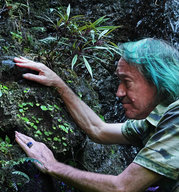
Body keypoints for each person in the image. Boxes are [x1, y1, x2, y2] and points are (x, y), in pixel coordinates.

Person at [13, 38, 179, 192]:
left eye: (127, 82)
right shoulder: (155, 120)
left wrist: (51, 165)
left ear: (157, 81)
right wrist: (58, 83)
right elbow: (98, 129)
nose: (119, 92)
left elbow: (122, 188)